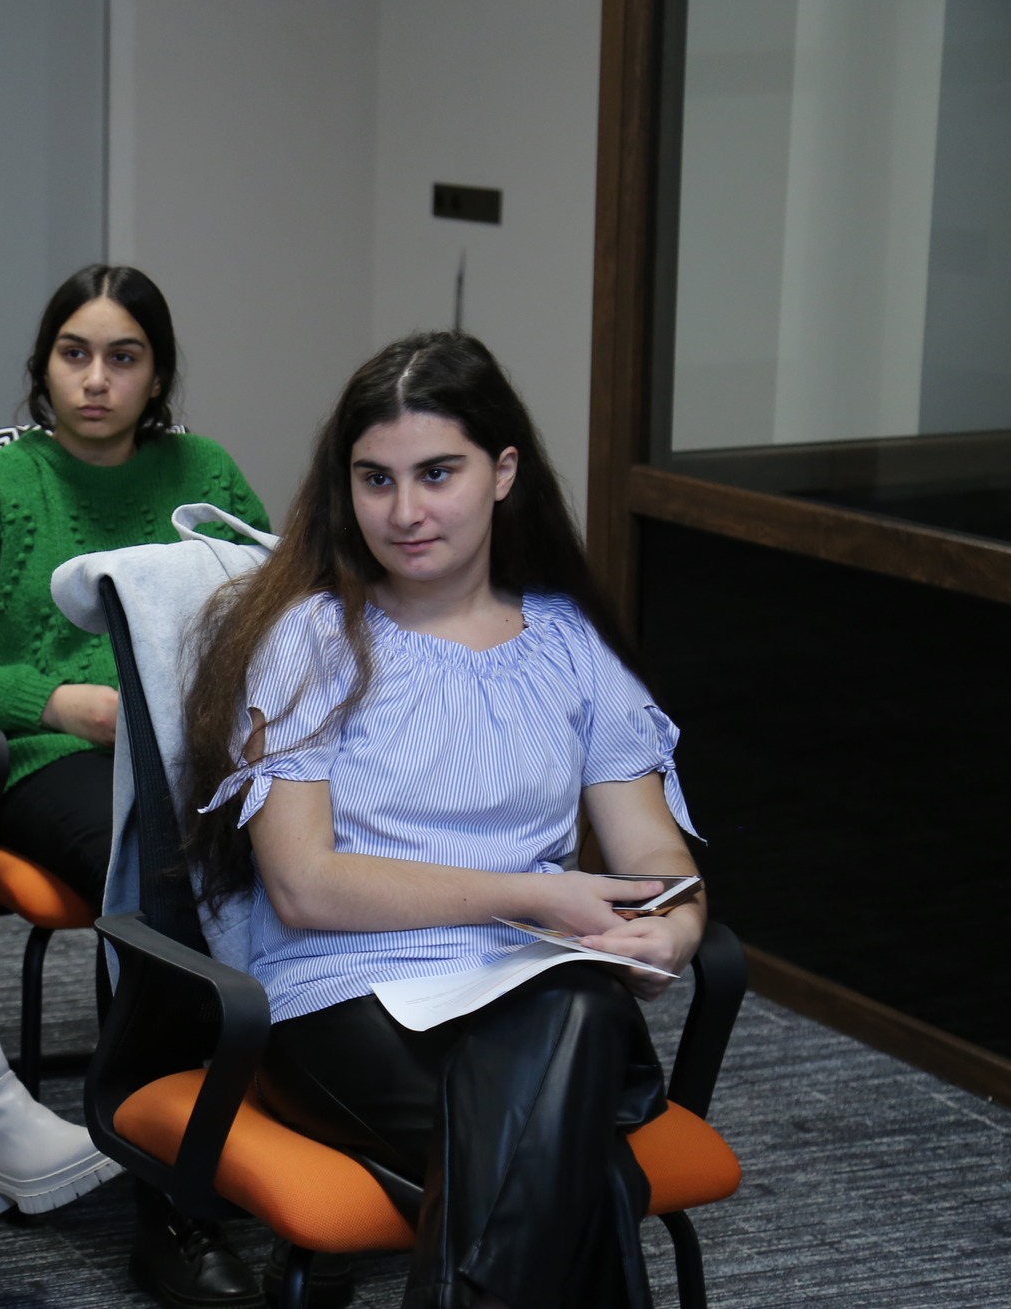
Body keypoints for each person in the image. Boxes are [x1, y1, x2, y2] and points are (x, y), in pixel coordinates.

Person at [183, 331, 706, 1309]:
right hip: (341, 1002)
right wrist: (534, 895)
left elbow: (655, 858)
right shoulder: (311, 639)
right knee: (582, 1157)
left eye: (436, 473)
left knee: (572, 1021)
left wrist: (668, 929)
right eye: (374, 480)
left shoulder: (570, 643)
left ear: (501, 472)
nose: (404, 512)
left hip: (528, 990)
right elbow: (303, 887)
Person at [0, 264, 269, 1299]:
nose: (96, 380)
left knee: (290, 851)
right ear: (43, 366)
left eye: (123, 358)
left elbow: (274, 609)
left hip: (194, 755)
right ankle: (171, 1199)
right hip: (49, 763)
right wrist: (56, 701)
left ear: (158, 376)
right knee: (160, 870)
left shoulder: (206, 472)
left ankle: (270, 1116)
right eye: (75, 354)